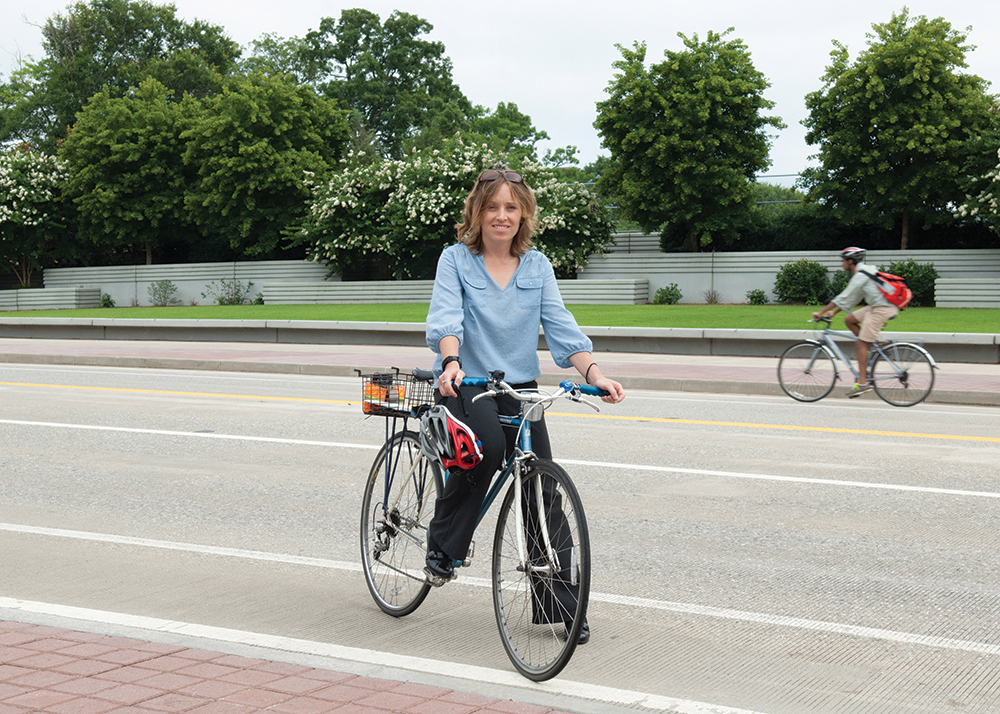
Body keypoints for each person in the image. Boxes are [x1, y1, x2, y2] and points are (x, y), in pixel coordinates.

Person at [424, 167, 625, 643]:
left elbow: (560, 325)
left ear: (523, 214)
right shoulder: (455, 259)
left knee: (542, 483)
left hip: (519, 386)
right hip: (467, 381)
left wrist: (595, 375)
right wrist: (450, 360)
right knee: (487, 449)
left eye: (510, 207)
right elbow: (447, 315)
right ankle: (443, 545)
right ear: (477, 212)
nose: (501, 215)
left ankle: (562, 607)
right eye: (492, 206)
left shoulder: (537, 266)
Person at [812, 247, 899, 397]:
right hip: (877, 307)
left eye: (843, 261)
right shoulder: (864, 272)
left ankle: (863, 383)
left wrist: (820, 312)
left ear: (850, 261)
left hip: (881, 309)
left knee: (860, 344)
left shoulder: (860, 275)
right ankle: (876, 344)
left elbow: (843, 296)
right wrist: (834, 312)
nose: (841, 264)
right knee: (849, 320)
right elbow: (853, 298)